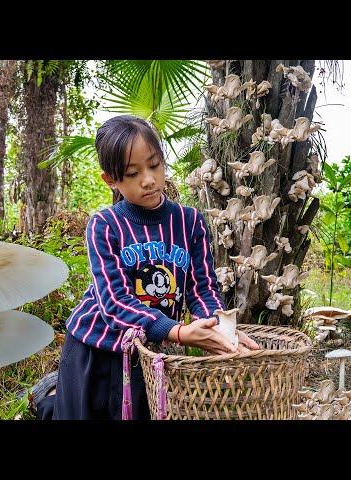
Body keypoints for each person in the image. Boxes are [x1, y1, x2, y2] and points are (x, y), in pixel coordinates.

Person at [33, 115, 260, 420]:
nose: (149, 179)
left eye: (154, 165)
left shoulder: (189, 222)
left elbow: (201, 287)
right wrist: (177, 331)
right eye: (132, 173)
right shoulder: (105, 225)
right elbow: (114, 302)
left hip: (147, 350)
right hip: (95, 348)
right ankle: (49, 395)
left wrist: (221, 330)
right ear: (111, 180)